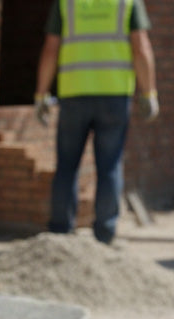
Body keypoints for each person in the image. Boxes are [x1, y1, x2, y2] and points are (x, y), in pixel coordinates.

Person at [34, 0, 159, 245]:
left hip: (73, 94)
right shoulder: (127, 2)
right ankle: (105, 235)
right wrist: (148, 93)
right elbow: (141, 47)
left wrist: (41, 94)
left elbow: (51, 48)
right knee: (110, 165)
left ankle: (60, 234)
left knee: (67, 165)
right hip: (114, 95)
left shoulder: (67, 3)